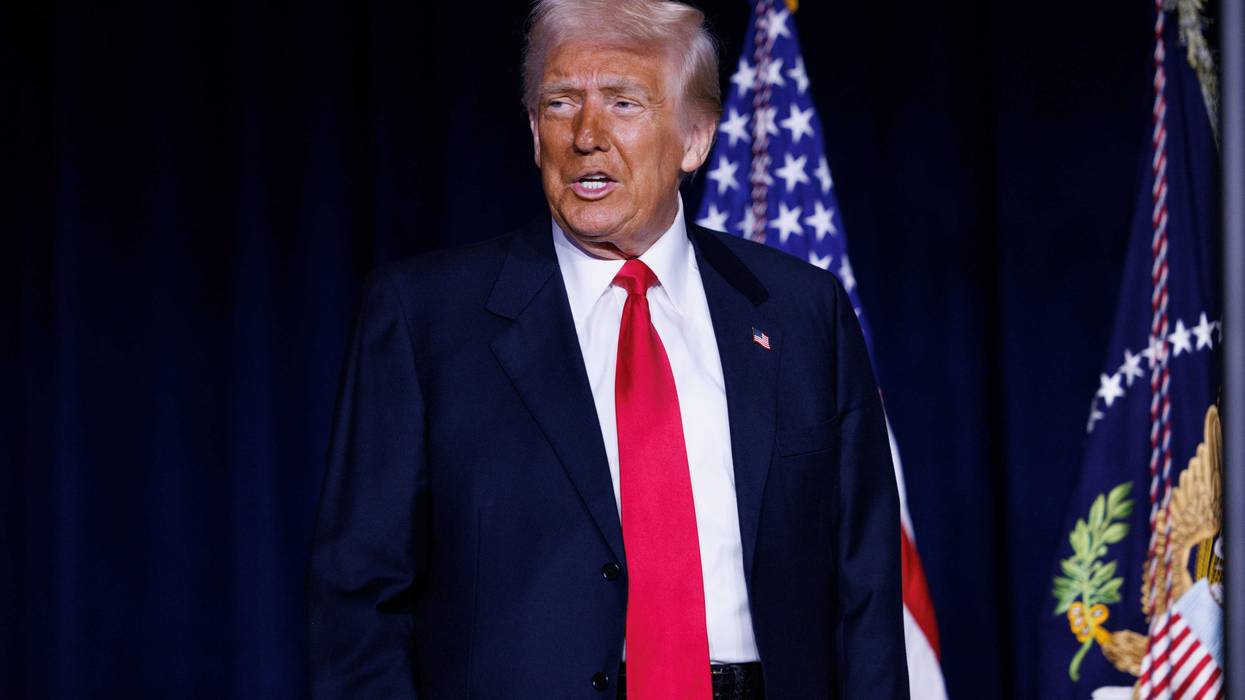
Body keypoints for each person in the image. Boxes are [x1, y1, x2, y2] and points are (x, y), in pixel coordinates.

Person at [307, 0, 908, 697]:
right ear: (535, 133)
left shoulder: (802, 311)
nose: (586, 135)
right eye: (560, 103)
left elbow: (862, 584)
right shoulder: (424, 320)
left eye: (623, 102)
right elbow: (358, 599)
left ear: (694, 137)